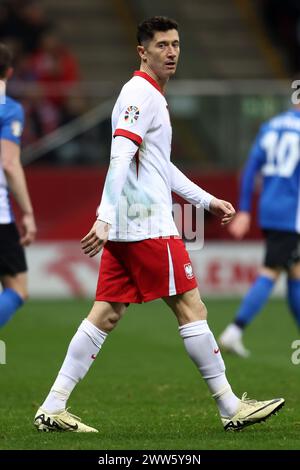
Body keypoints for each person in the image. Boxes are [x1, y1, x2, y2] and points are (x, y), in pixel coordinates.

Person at [34, 16, 284, 433]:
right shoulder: (139, 94)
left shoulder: (149, 95)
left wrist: (205, 199)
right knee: (193, 308)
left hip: (131, 228)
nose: (171, 52)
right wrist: (105, 216)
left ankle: (52, 406)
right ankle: (229, 408)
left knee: (106, 314)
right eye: (162, 45)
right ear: (142, 51)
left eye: (176, 44)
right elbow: (119, 155)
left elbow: (158, 165)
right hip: (148, 225)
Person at [219, 104, 300, 357]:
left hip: (270, 210)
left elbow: (250, 169)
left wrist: (244, 210)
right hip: (292, 214)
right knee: (272, 270)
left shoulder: (270, 126)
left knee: (296, 272)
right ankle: (234, 330)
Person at [0, 42, 36, 327]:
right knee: (17, 288)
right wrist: (28, 213)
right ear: (9, 72)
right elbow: (10, 164)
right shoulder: (9, 109)